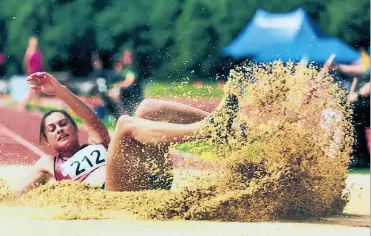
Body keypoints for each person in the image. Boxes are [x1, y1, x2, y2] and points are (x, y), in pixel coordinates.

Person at [17, 72, 238, 194]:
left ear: (75, 129)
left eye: (64, 124)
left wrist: (59, 90)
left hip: (151, 179)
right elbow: (17, 195)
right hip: (116, 195)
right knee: (124, 124)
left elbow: (89, 116)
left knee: (147, 107)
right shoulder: (49, 164)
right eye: (52, 129)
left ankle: (220, 128)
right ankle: (204, 130)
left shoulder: (95, 142)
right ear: (45, 140)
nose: (60, 129)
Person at [108, 49, 144, 117]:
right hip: (128, 95)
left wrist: (118, 86)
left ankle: (123, 115)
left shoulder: (133, 68)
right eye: (125, 57)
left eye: (129, 56)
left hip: (135, 96)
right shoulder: (124, 70)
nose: (127, 59)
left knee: (115, 93)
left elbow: (129, 81)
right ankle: (121, 115)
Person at [20, 36, 44, 111]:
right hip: (32, 73)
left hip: (38, 73)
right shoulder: (29, 51)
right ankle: (24, 104)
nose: (36, 44)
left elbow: (41, 63)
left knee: (38, 91)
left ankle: (35, 106)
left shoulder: (38, 51)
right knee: (33, 90)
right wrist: (28, 71)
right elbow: (26, 62)